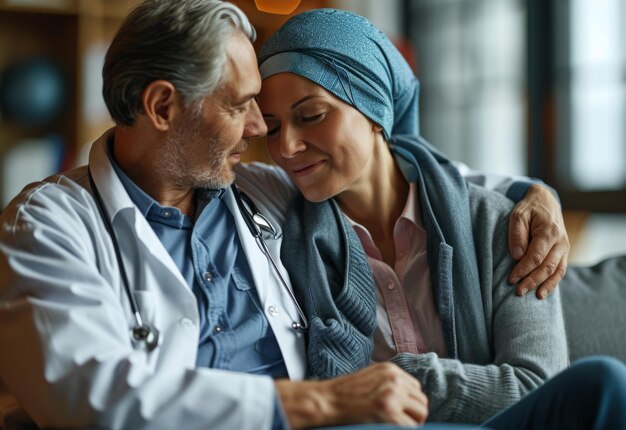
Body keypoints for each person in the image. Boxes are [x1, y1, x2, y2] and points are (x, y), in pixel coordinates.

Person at [0, 2, 612, 430]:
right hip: (324, 419)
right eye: (244, 106)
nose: (266, 133)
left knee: (602, 388)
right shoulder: (51, 223)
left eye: (303, 115)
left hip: (349, 417)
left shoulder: (261, 190)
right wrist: (322, 402)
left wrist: (538, 194)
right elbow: (84, 391)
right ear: (162, 107)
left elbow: (428, 181)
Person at [231, 7, 626, 427]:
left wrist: (394, 379)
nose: (287, 146)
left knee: (604, 383)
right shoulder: (279, 224)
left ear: (374, 110)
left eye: (311, 116)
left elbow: (534, 385)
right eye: (272, 128)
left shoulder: (498, 223)